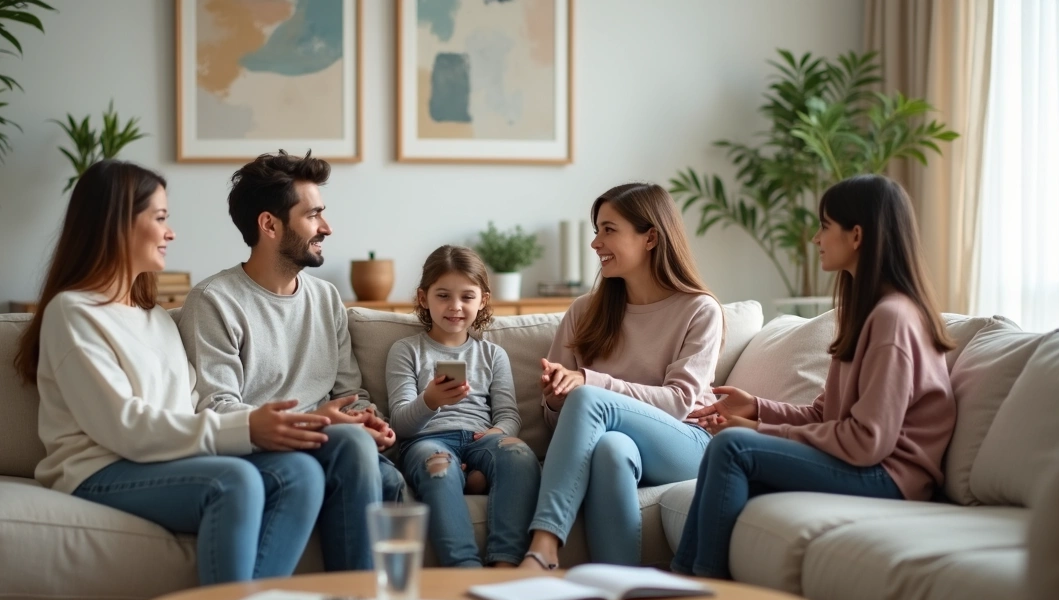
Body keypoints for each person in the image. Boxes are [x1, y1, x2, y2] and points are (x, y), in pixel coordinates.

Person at [14, 160, 328, 584]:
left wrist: (261, 424)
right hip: (99, 470)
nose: (171, 232)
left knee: (302, 472)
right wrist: (245, 430)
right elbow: (125, 428)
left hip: (166, 459)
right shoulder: (73, 313)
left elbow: (195, 405)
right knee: (233, 482)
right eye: (160, 218)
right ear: (117, 224)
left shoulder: (156, 318)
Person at [674, 174, 957, 579]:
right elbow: (827, 414)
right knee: (729, 456)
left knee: (734, 447)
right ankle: (683, 584)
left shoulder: (893, 320)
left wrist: (757, 429)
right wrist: (757, 406)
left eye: (825, 226)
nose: (815, 238)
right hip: (868, 466)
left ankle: (699, 588)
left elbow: (866, 442)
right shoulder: (868, 315)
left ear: (856, 235)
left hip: (890, 478)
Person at [178, 150, 405, 572]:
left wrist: (367, 419)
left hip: (330, 444)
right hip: (256, 451)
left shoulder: (324, 298)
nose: (327, 227)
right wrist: (323, 423)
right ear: (269, 224)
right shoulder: (214, 301)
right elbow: (217, 408)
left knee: (388, 474)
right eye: (313, 215)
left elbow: (350, 393)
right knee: (357, 451)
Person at [520, 183, 724, 570]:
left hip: (687, 443)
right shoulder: (584, 311)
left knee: (589, 397)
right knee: (611, 448)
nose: (596, 243)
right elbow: (559, 421)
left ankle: (544, 546)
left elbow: (680, 401)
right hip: (616, 445)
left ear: (650, 237)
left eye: (608, 229)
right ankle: (620, 590)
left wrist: (588, 383)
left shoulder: (700, 309)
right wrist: (556, 398)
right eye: (596, 230)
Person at [385, 245, 541, 568]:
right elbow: (399, 424)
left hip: (481, 438)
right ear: (422, 297)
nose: (455, 307)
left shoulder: (493, 355)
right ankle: (464, 569)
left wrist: (494, 434)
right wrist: (430, 401)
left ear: (482, 299)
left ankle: (505, 565)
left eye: (466, 297)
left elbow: (509, 415)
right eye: (443, 295)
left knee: (520, 454)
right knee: (438, 468)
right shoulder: (405, 351)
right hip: (428, 441)